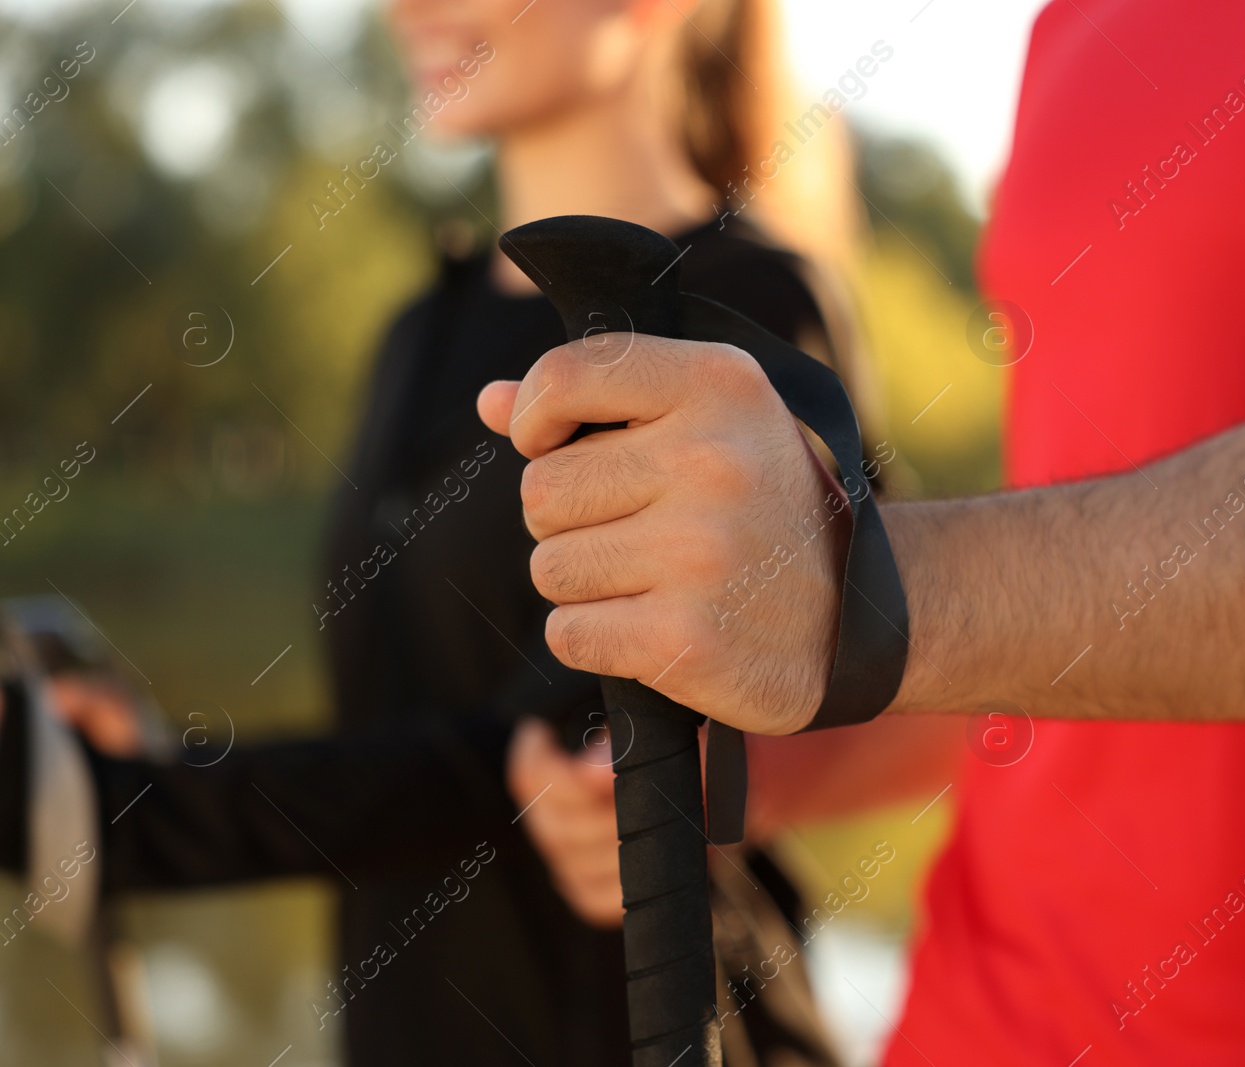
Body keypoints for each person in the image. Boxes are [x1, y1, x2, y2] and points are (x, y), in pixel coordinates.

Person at [477, 0, 1245, 1062]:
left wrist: (857, 583)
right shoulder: (1075, 25)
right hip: (987, 1018)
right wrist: (774, 745)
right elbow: (1045, 622)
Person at [2, 0, 924, 1062]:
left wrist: (124, 813)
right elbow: (410, 724)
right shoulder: (416, 334)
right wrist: (128, 759)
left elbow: (550, 748)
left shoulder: (746, 301)